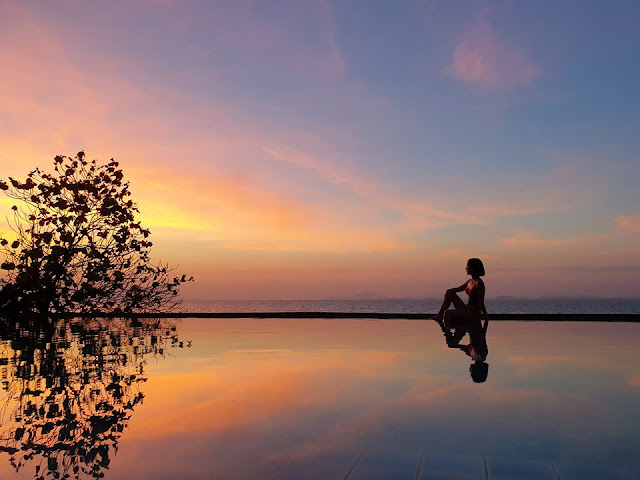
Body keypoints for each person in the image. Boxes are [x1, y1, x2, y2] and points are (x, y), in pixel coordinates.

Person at [432, 258, 490, 382]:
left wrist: (484, 316)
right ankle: (439, 315)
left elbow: (481, 302)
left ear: (473, 268)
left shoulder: (479, 283)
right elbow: (456, 290)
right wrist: (449, 293)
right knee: (449, 293)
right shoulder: (469, 281)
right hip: (466, 311)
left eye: (467, 266)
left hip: (472, 314)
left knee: (448, 315)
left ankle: (445, 319)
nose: (466, 268)